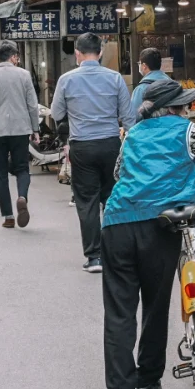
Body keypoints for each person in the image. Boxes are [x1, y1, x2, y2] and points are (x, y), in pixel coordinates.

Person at [101, 79, 195, 389]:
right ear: (175, 107)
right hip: (160, 225)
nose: (186, 108)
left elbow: (118, 174)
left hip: (117, 223)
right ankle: (147, 382)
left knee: (119, 313)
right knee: (154, 307)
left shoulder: (132, 135)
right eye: (184, 104)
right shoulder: (186, 130)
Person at [52, 32, 134, 274]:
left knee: (86, 202)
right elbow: (128, 117)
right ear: (100, 53)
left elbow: (57, 113)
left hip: (82, 146)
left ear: (77, 53)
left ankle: (94, 257)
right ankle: (115, 253)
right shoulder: (115, 78)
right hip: (110, 144)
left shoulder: (66, 80)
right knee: (112, 198)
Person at [0, 41, 39, 230]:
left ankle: (8, 216)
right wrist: (35, 129)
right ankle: (22, 196)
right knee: (22, 168)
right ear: (13, 57)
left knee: (1, 173)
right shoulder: (24, 75)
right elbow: (32, 104)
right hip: (21, 129)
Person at [128, 48, 168, 122]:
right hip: (171, 130)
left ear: (144, 66)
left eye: (139, 63)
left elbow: (134, 117)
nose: (139, 66)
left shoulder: (141, 88)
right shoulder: (172, 84)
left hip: (151, 131)